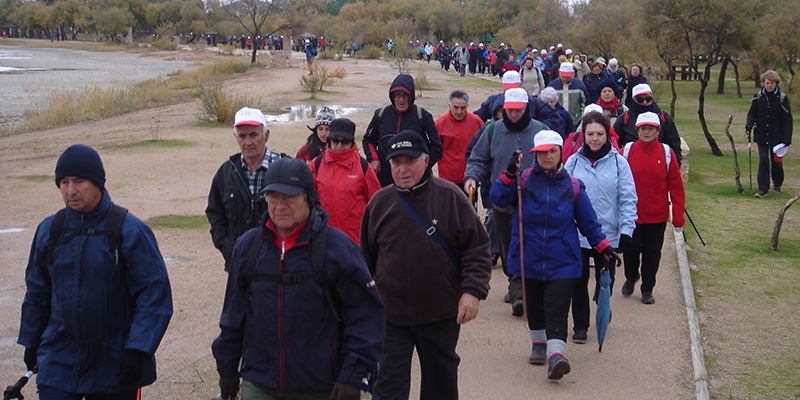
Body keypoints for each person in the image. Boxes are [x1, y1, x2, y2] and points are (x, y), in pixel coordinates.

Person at [212, 158, 384, 400]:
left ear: (308, 198)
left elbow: (365, 316)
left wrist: (352, 376)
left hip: (322, 386)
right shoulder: (248, 248)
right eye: (273, 197)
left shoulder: (338, 250)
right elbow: (234, 314)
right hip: (259, 382)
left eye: (289, 197)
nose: (280, 206)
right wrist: (227, 368)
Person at [18, 144, 173, 399]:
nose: (71, 190)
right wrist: (31, 341)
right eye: (64, 182)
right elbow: (37, 291)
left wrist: (138, 349)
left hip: (115, 365)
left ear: (98, 182)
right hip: (58, 363)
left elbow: (154, 298)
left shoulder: (129, 232)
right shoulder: (50, 231)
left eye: (79, 181)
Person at [361, 131, 491, 400]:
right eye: (396, 162)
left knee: (440, 386)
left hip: (440, 313)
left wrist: (472, 291)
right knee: (387, 387)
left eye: (410, 161)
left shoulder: (451, 197)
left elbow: (477, 247)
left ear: (426, 160)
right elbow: (367, 259)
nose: (402, 169)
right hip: (391, 316)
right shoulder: (379, 203)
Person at [490, 130, 619, 380]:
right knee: (536, 305)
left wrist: (603, 247)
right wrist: (507, 176)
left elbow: (588, 222)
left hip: (564, 258)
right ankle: (538, 343)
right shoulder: (523, 182)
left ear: (561, 152)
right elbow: (498, 200)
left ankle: (556, 355)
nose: (547, 156)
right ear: (534, 155)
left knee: (557, 306)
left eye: (552, 151)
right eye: (542, 152)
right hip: (530, 256)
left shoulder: (571, 187)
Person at [465, 88, 549, 317]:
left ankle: (522, 291)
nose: (513, 115)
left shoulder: (541, 130)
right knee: (508, 246)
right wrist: (471, 177)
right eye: (509, 111)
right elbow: (477, 159)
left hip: (535, 200)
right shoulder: (492, 130)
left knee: (532, 245)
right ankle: (516, 286)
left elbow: (555, 158)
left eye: (517, 111)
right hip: (502, 199)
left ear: (526, 109)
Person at [564, 112, 637, 344]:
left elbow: (627, 198)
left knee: (606, 279)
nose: (594, 139)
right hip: (578, 233)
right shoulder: (573, 162)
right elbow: (564, 196)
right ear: (583, 135)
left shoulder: (619, 163)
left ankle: (602, 306)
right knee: (578, 280)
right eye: (590, 134)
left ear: (607, 135)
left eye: (599, 134)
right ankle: (581, 325)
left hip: (607, 233)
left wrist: (626, 231)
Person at [206, 107, 286, 272]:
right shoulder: (226, 173)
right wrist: (226, 246)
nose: (248, 142)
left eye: (253, 135)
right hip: (238, 265)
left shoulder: (286, 170)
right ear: (236, 138)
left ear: (266, 135)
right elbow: (215, 213)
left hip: (278, 267)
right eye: (242, 136)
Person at [621, 112, 685, 304]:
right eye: (643, 128)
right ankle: (631, 276)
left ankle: (647, 288)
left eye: (650, 129)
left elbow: (676, 186)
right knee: (630, 250)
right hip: (632, 214)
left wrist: (678, 216)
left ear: (658, 131)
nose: (646, 132)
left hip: (657, 215)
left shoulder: (666, 153)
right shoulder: (628, 150)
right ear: (637, 130)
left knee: (652, 254)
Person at [362, 74, 443, 187]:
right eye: (398, 95)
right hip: (384, 178)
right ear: (392, 96)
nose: (401, 100)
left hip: (416, 181)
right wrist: (373, 159)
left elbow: (436, 148)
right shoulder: (381, 114)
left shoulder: (422, 116)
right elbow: (368, 140)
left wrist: (421, 167)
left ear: (412, 96)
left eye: (405, 95)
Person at [310, 118, 381, 243]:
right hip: (324, 238)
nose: (339, 145)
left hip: (356, 241)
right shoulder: (317, 164)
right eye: (335, 140)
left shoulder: (363, 167)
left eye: (345, 141)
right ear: (329, 140)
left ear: (352, 141)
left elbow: (377, 203)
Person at [746, 69, 793, 197]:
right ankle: (762, 189)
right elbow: (752, 113)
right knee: (763, 160)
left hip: (777, 136)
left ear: (776, 83)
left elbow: (788, 120)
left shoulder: (782, 98)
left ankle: (777, 183)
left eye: (772, 83)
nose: (769, 85)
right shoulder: (758, 97)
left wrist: (787, 139)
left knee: (776, 162)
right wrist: (749, 124)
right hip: (761, 134)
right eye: (767, 82)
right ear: (763, 83)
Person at [473, 71, 563, 134]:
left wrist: (538, 129)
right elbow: (476, 118)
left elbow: (555, 117)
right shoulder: (493, 101)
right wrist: (488, 130)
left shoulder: (532, 101)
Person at [614, 83, 683, 163]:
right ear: (634, 99)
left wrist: (676, 163)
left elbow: (674, 143)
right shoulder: (625, 118)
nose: (645, 102)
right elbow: (615, 142)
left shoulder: (663, 117)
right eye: (640, 99)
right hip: (632, 162)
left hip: (659, 162)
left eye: (648, 99)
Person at [435, 90, 485, 188]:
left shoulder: (476, 122)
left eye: (463, 108)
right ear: (449, 106)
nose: (459, 111)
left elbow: (484, 147)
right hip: (447, 180)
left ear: (467, 106)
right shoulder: (440, 124)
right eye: (456, 107)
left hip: (470, 177)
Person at [548, 62, 590, 126]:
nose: (564, 79)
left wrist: (580, 117)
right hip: (557, 121)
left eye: (567, 77)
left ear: (572, 74)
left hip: (575, 121)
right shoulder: (552, 85)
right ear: (559, 73)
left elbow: (585, 103)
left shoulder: (580, 85)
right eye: (563, 76)